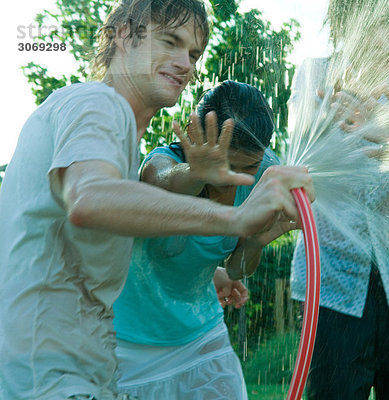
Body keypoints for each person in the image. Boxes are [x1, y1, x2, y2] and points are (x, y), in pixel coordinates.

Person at [0, 1, 313, 398]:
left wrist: (207, 272)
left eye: (194, 54)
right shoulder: (98, 104)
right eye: (170, 41)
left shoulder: (111, 137)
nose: (185, 63)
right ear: (122, 35)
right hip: (52, 378)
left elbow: (101, 233)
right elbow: (89, 199)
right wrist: (237, 219)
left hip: (72, 371)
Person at [288, 0, 389, 398]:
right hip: (334, 278)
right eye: (371, 23)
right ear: (341, 24)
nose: (383, 35)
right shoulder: (316, 74)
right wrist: (330, 118)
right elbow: (298, 159)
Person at [113, 80, 287, 399]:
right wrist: (197, 174)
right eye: (226, 166)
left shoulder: (263, 172)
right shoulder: (162, 162)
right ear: (197, 138)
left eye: (248, 167)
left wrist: (260, 240)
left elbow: (237, 268)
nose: (233, 178)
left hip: (201, 334)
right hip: (132, 342)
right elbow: (158, 184)